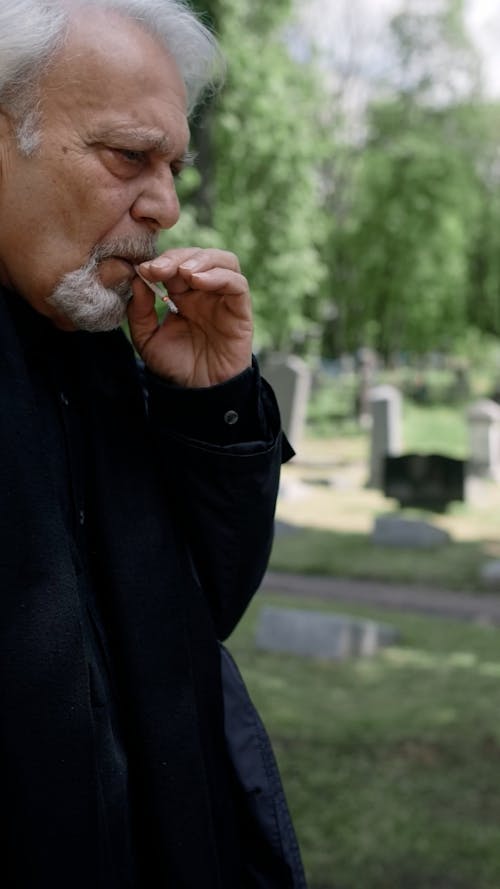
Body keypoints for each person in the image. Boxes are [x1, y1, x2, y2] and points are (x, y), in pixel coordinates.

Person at [0, 1, 305, 887]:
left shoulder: (97, 353)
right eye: (128, 156)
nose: (167, 206)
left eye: (172, 166)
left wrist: (210, 406)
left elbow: (192, 616)